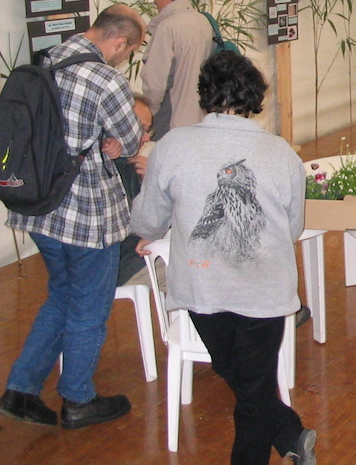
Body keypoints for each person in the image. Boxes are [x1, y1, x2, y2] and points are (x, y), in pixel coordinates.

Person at [132, 51, 316, 465]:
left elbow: (147, 220)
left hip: (203, 290)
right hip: (266, 292)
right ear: (255, 98)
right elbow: (292, 228)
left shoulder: (172, 146)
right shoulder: (281, 152)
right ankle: (290, 433)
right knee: (252, 384)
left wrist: (151, 230)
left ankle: (290, 435)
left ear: (205, 94)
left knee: (244, 382)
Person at [0, 4, 145, 429]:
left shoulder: (45, 60)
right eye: (129, 51)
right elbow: (131, 137)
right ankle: (78, 399)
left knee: (61, 296)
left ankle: (21, 389)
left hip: (38, 207)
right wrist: (114, 142)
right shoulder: (105, 79)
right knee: (88, 308)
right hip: (86, 215)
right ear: (120, 42)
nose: (124, 58)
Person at [142, 0, 215, 140]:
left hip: (173, 119)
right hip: (203, 116)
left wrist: (149, 116)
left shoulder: (167, 28)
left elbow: (155, 83)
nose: (154, 1)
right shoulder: (204, 21)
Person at [115, 95, 153, 287]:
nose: (147, 138)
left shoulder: (131, 164)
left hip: (137, 255)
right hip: (126, 262)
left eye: (148, 130)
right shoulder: (112, 168)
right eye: (143, 129)